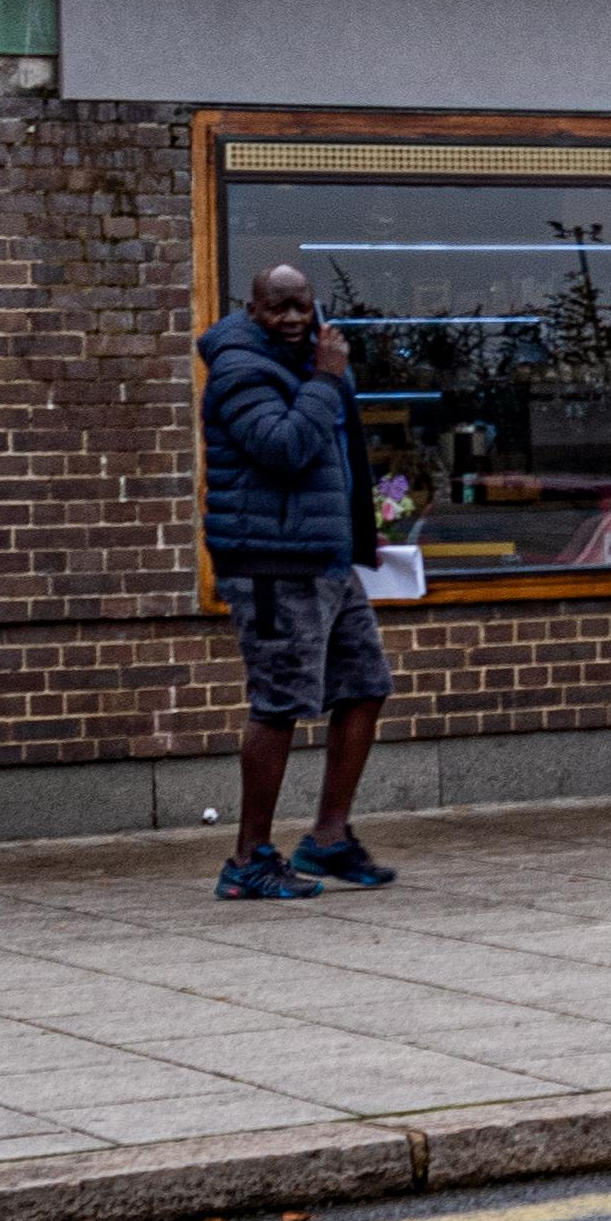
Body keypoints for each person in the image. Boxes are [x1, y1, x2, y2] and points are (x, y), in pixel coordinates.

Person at [201, 260, 397, 897]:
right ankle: (248, 860)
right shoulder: (239, 368)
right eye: (276, 308)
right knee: (280, 704)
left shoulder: (314, 357)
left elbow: (338, 457)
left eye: (300, 305)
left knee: (366, 687)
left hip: (327, 561)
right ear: (252, 311)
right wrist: (325, 379)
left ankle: (329, 839)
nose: (291, 318)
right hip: (270, 565)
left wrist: (356, 535)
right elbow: (283, 448)